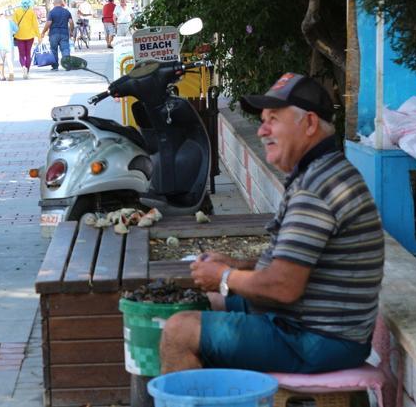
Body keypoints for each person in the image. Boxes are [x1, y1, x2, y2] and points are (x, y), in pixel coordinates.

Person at [159, 72, 385, 375]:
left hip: (317, 338)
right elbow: (294, 266)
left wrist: (225, 276)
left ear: (310, 124)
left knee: (179, 330)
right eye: (263, 120)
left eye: (273, 119)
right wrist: (239, 266)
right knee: (193, 304)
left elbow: (283, 286)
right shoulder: (321, 173)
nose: (262, 131)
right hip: (308, 325)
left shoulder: (317, 188)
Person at [40, 0, 74, 71]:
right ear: (61, 3)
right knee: (65, 49)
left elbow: (48, 23)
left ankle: (55, 66)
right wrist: (71, 31)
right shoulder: (66, 12)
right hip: (64, 33)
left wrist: (43, 32)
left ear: (54, 3)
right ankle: (67, 65)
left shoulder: (51, 12)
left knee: (53, 50)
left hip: (54, 34)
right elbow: (71, 22)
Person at [13, 0, 40, 79]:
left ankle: (23, 66)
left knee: (21, 54)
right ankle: (27, 71)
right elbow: (35, 24)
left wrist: (13, 33)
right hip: (30, 36)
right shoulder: (31, 12)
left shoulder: (17, 11)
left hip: (19, 35)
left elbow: (14, 24)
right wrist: (39, 36)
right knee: (28, 53)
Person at [0, 9, 18, 81]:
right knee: (9, 60)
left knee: (0, 61)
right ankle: (11, 73)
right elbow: (16, 29)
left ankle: (2, 76)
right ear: (5, 15)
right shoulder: (10, 22)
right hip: (9, 44)